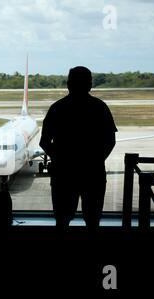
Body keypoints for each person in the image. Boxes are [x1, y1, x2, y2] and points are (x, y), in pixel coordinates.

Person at [39, 66, 117, 231]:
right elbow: (110, 140)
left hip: (63, 175)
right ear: (90, 85)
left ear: (68, 84)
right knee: (93, 221)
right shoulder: (100, 107)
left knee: (62, 221)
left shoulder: (57, 108)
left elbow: (44, 142)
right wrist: (95, 160)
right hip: (93, 174)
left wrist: (60, 159)